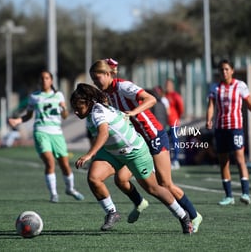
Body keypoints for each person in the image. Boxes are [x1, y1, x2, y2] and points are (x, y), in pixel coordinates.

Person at [89, 58, 203, 233]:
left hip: (153, 136)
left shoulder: (123, 87)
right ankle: (139, 202)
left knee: (165, 184)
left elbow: (150, 99)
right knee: (120, 179)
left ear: (107, 74)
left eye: (98, 78)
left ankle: (194, 216)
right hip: (135, 142)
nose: (96, 82)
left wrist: (133, 112)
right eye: (93, 79)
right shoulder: (107, 94)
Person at [70, 83, 193, 234]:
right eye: (74, 108)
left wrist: (90, 154)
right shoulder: (90, 114)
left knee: (153, 189)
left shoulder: (97, 112)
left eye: (78, 107)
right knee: (94, 178)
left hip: (134, 151)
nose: (75, 111)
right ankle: (112, 212)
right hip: (112, 152)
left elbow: (104, 133)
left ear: (88, 103)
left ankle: (183, 216)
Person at [8, 70, 84, 203]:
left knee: (65, 165)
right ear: (39, 81)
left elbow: (65, 116)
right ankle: (54, 194)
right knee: (50, 162)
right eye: (42, 78)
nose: (44, 80)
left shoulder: (58, 95)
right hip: (41, 132)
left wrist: (64, 109)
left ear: (51, 80)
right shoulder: (34, 97)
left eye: (47, 78)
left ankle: (70, 189)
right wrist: (17, 121)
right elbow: (28, 116)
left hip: (57, 133)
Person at [206, 59, 251, 206]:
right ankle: (229, 196)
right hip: (221, 129)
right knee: (224, 162)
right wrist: (209, 120)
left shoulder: (240, 86)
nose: (224, 72)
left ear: (232, 70)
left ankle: (245, 193)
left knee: (240, 159)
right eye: (221, 70)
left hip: (235, 128)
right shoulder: (215, 88)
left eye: (227, 69)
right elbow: (211, 106)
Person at [165, 78, 185, 170]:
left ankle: (175, 160)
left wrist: (177, 117)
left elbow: (180, 108)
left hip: (173, 122)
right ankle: (166, 161)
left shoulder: (175, 95)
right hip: (165, 123)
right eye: (166, 84)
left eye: (169, 85)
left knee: (175, 141)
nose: (167, 86)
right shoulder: (164, 96)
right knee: (165, 142)